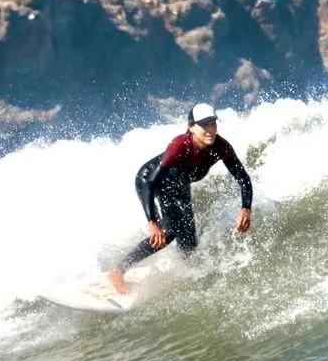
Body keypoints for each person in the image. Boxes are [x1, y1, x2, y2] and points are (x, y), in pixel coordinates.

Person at [106, 103, 253, 295]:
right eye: (205, 125)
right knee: (167, 232)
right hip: (151, 180)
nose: (210, 130)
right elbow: (151, 181)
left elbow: (243, 178)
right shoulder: (180, 145)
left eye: (213, 124)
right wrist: (152, 222)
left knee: (189, 243)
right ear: (191, 127)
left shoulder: (221, 147)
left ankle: (181, 272)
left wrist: (245, 209)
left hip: (179, 183)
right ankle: (119, 270)